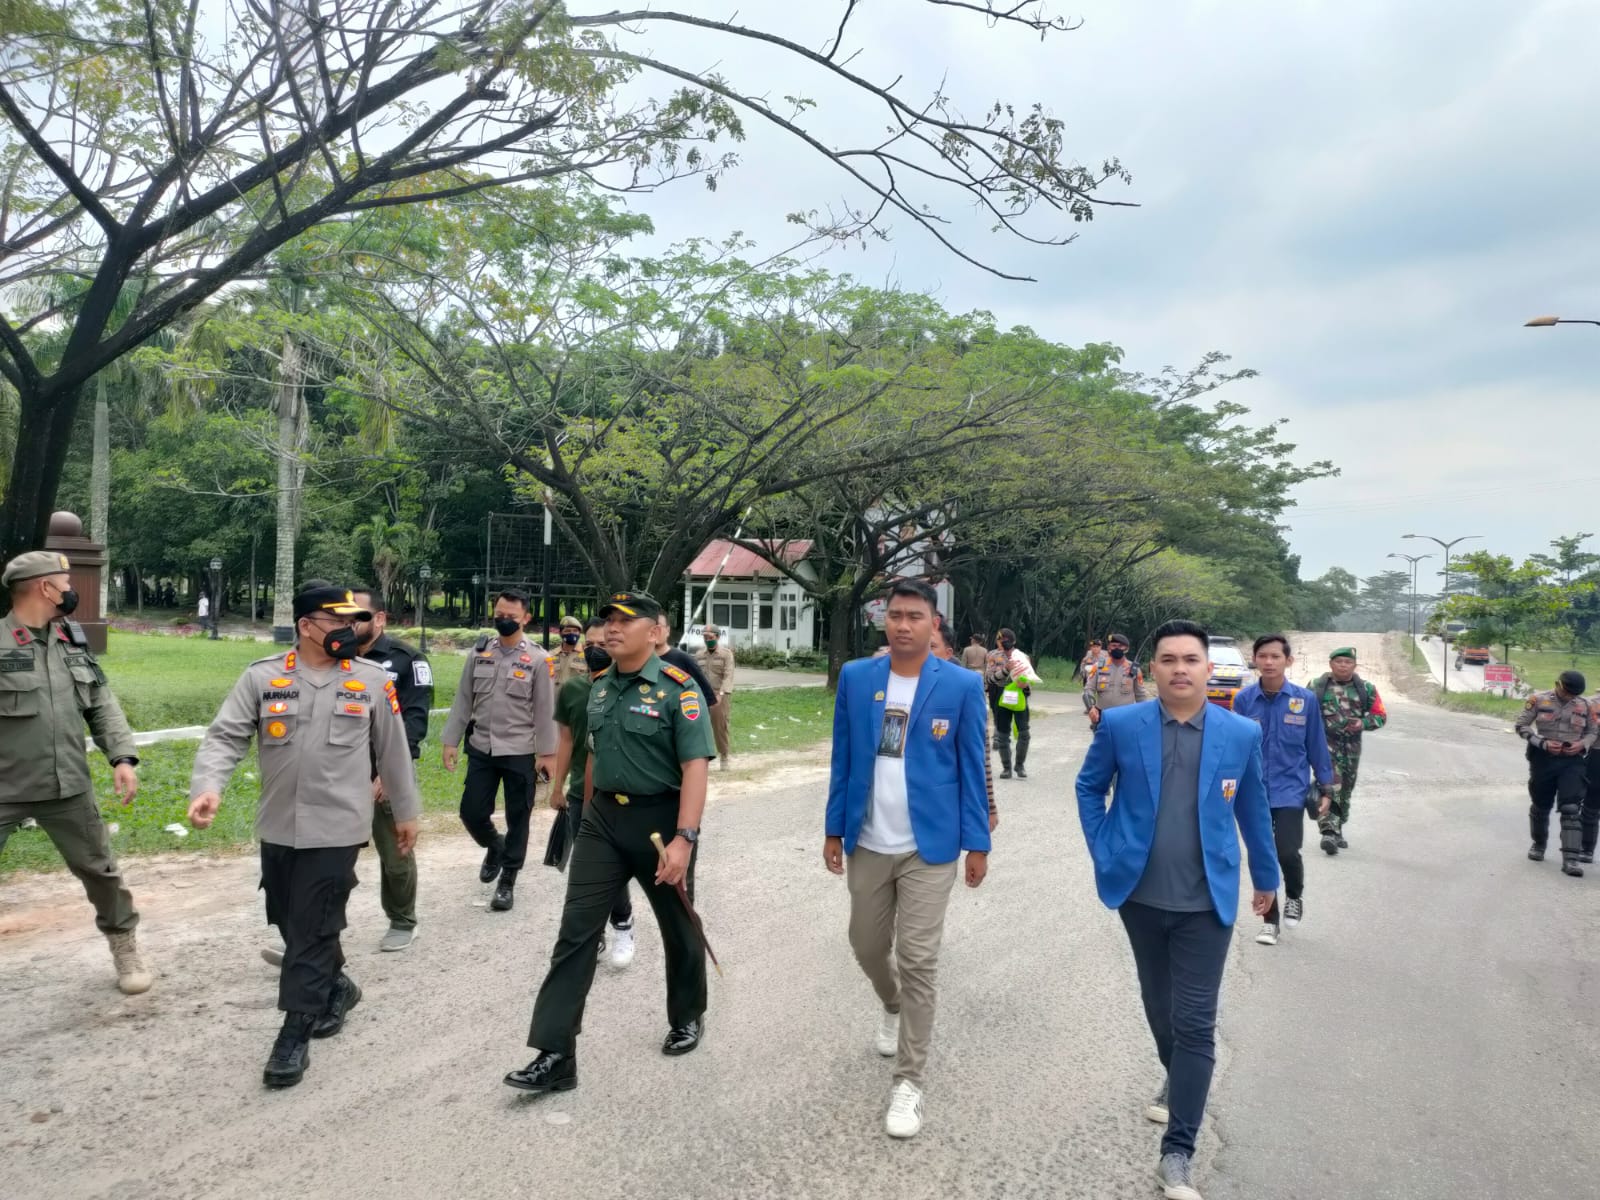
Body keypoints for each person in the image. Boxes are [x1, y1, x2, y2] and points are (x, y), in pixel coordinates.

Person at [1075, 619, 1278, 1200]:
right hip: (1138, 896)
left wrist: (1266, 878)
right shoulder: (1119, 725)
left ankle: (1179, 1153)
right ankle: (1179, 1076)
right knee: (1160, 1010)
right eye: (1169, 660)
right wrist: (1103, 845)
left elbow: (1255, 810)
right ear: (1154, 670)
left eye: (1191, 659)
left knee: (1195, 1024)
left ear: (1208, 670)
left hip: (1205, 904)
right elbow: (1089, 788)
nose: (1181, 668)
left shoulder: (1240, 734)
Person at [187, 586, 422, 1088]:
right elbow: (225, 736)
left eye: (353, 622)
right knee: (290, 920)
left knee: (313, 927)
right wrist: (208, 787)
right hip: (278, 824)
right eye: (337, 622)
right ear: (306, 626)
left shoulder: (373, 681)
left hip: (338, 827)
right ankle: (336, 985)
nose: (349, 630)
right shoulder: (263, 677)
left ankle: (293, 1033)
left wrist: (406, 813)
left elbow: (394, 752)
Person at [505, 590, 715, 1096]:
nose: (612, 628)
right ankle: (556, 1054)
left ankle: (688, 1014)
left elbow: (695, 768)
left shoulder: (678, 690)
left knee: (678, 922)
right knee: (576, 931)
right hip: (603, 820)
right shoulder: (597, 688)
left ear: (656, 631)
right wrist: (583, 804)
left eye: (626, 620)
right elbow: (595, 754)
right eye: (608, 620)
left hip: (661, 824)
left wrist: (685, 839)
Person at [824, 580, 990, 1139]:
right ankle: (890, 1004)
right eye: (894, 615)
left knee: (919, 957)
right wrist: (832, 829)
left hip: (930, 846)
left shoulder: (962, 685)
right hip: (868, 840)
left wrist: (978, 843)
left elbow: (971, 766)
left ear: (933, 625)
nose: (902, 625)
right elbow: (843, 758)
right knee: (866, 945)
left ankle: (909, 1083)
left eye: (914, 616)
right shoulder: (857, 678)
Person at [0, 551, 151, 995]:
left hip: (66, 785)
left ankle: (124, 946)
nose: (70, 589)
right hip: (3, 787)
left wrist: (122, 758)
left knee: (101, 871)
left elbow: (101, 703)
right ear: (44, 588)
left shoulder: (71, 641)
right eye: (63, 581)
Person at [441, 589, 558, 912]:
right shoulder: (479, 653)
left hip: (520, 750)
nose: (504, 620)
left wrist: (548, 755)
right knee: (471, 812)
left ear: (526, 618)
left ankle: (507, 881)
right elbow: (464, 700)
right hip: (481, 746)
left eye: (511, 616)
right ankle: (495, 845)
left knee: (518, 816)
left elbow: (546, 710)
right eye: (500, 614)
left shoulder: (538, 659)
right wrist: (450, 740)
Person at [1230, 635, 1335, 946]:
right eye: (1262, 656)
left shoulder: (1305, 700)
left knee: (1286, 850)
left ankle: (1294, 896)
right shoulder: (1244, 700)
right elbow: (1236, 747)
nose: (1269, 662)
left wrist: (1326, 785)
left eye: (1275, 656)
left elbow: (1315, 743)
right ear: (1255, 660)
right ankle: (1270, 921)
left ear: (1288, 660)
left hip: (1291, 788)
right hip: (1253, 790)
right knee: (1261, 854)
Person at [549, 616, 638, 968]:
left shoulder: (632, 689)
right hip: (577, 793)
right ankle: (593, 934)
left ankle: (623, 924)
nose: (595, 650)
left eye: (603, 644)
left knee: (611, 867)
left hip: (616, 794)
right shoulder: (572, 690)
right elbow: (567, 740)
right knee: (586, 868)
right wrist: (556, 786)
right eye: (590, 644)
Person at [1309, 647, 1387, 855]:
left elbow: (1380, 715)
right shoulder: (1316, 686)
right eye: (1339, 661)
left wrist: (1362, 723)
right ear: (1330, 664)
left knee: (1346, 789)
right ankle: (1328, 831)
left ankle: (1338, 827)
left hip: (1352, 746)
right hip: (1324, 745)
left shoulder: (1366, 689)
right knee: (1329, 785)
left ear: (1354, 665)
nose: (1343, 665)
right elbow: (1303, 713)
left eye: (1347, 662)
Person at [1515, 671, 1594, 877]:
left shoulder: (1586, 705)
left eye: (1573, 694)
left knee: (1570, 808)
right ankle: (1538, 845)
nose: (1570, 697)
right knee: (1541, 806)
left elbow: (1593, 732)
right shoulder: (1538, 699)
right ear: (1558, 684)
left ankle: (1571, 860)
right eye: (1567, 692)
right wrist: (1541, 742)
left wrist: (1582, 745)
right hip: (1543, 759)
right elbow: (1521, 725)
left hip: (1572, 762)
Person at [933, 615, 997, 834]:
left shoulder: (961, 687)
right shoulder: (986, 653)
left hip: (970, 677)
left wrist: (988, 805)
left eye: (931, 646)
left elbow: (979, 753)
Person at [984, 627, 1042, 779]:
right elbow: (989, 679)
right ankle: (1006, 768)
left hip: (1019, 696)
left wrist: (1026, 684)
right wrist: (1005, 670)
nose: (1002, 644)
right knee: (1003, 734)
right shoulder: (993, 656)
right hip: (1001, 696)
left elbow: (1030, 676)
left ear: (1013, 642)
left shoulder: (1023, 656)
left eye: (1006, 641)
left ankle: (1019, 765)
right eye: (1000, 641)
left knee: (1024, 733)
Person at [694, 623, 736, 771]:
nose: (707, 640)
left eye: (710, 637)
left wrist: (722, 694)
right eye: (704, 637)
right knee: (698, 727)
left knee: (720, 727)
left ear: (717, 637)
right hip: (702, 696)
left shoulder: (726, 654)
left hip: (720, 695)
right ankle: (702, 758)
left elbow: (728, 676)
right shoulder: (699, 655)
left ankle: (724, 756)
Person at [1085, 633, 1149, 728]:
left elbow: (1141, 695)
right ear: (1109, 648)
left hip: (1126, 717)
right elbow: (1088, 689)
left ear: (1126, 648)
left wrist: (1144, 717)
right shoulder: (1099, 666)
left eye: (1120, 646)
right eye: (1114, 646)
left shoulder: (1134, 669)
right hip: (1102, 716)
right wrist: (1091, 708)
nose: (1117, 648)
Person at [549, 615, 588, 688]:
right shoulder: (551, 655)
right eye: (567, 631)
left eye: (575, 631)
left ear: (579, 633)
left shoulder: (586, 654)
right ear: (560, 633)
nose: (571, 633)